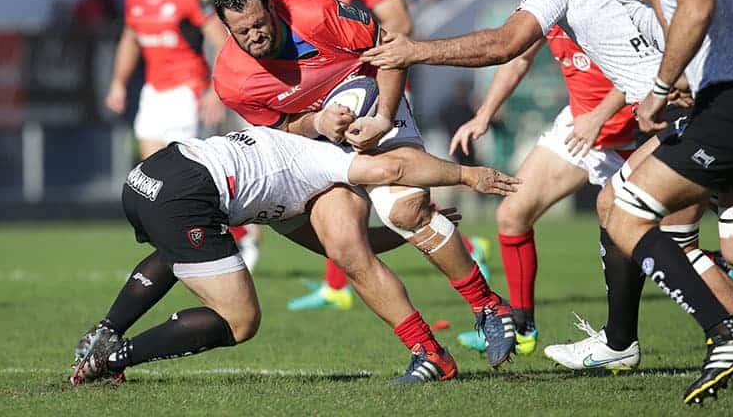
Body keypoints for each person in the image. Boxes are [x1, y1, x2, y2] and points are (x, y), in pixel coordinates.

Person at [361, 0, 733, 381]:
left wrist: (414, 51)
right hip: (675, 106)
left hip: (682, 112)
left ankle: (712, 334)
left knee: (635, 218)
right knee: (665, 228)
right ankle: (605, 336)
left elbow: (504, 44)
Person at [211, 0, 518, 378]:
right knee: (343, 248)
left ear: (272, 8)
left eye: (259, 24)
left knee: (405, 212)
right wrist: (318, 121)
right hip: (317, 138)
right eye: (242, 31)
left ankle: (488, 306)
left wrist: (382, 118)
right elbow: (281, 130)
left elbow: (392, 51)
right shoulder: (231, 81)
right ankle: (429, 353)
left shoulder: (316, 13)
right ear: (227, 30)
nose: (255, 35)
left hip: (375, 100)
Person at [70, 124, 518, 385]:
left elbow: (343, 251)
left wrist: (403, 235)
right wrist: (467, 175)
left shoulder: (283, 203)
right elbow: (392, 168)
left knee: (179, 252)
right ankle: (112, 359)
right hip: (187, 191)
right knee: (240, 321)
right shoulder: (321, 162)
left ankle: (105, 332)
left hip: (147, 177)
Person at [602, 0, 733, 404]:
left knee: (626, 210)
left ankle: (725, 330)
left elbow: (697, 4)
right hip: (730, 104)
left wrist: (661, 88)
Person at [452, 0, 638, 358]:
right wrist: (483, 114)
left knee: (660, 240)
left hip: (628, 123)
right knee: (513, 212)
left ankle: (635, 337)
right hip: (580, 124)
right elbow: (517, 57)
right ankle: (521, 328)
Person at [286, 0, 413, 312]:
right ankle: (337, 284)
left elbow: (400, 25)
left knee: (395, 197)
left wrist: (372, 74)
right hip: (348, 91)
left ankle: (464, 246)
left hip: (375, 92)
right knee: (341, 185)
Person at [104, 0, 258, 271]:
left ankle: (231, 234)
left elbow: (221, 40)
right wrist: (118, 82)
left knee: (184, 176)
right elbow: (130, 40)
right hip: (153, 93)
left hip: (187, 92)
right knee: (152, 176)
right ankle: (222, 234)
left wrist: (216, 90)